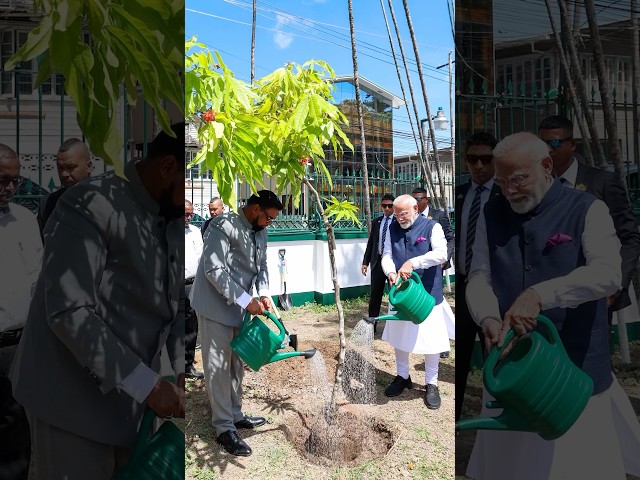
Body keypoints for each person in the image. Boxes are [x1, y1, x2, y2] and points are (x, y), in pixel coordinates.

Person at [10, 125, 186, 479]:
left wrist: (180, 368)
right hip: (69, 409)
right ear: (168, 167)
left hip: (130, 409)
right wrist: (148, 385)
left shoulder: (170, 218)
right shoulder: (90, 203)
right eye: (190, 180)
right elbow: (69, 311)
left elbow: (175, 304)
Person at [465, 132, 640, 479]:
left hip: (574, 371)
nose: (510, 190)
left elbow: (607, 274)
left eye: (518, 179)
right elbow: (479, 274)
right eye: (502, 182)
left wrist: (540, 296)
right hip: (512, 370)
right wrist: (486, 317)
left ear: (546, 166)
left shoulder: (588, 208)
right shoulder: (492, 211)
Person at [189, 190, 284, 457]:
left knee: (235, 364)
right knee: (218, 365)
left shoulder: (260, 230)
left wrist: (263, 294)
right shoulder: (224, 226)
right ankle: (223, 428)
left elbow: (262, 266)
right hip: (213, 306)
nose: (269, 224)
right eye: (268, 218)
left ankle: (234, 414)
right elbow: (214, 270)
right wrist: (246, 300)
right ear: (255, 210)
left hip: (239, 306)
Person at [538, 115, 640, 317]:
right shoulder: (538, 186)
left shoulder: (601, 182)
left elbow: (630, 237)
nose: (548, 150)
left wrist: (616, 285)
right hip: (548, 293)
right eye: (542, 144)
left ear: (572, 145)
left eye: (555, 143)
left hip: (594, 293)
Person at [380, 194, 449, 409]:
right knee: (400, 337)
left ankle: (431, 383)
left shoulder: (432, 227)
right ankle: (402, 376)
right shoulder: (392, 228)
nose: (400, 218)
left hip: (427, 294)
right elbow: (387, 255)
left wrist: (413, 262)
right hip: (401, 293)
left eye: (404, 214)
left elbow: (441, 254)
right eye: (396, 214)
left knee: (431, 341)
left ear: (416, 209)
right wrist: (390, 272)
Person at [0, 144, 43, 479]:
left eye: (14, 180)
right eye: (2, 179)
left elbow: (36, 280)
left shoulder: (25, 220)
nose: (10, 188)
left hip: (15, 347)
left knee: (16, 431)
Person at [454, 131, 500, 423]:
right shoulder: (461, 194)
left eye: (486, 159)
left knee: (494, 357)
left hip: (494, 289)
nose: (479, 165)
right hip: (462, 285)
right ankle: (456, 420)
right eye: (473, 159)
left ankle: (495, 416)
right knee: (460, 356)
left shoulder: (505, 194)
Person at [412, 187, 455, 358]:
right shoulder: (413, 217)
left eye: (420, 199)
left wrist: (445, 258)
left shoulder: (438, 215)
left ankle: (442, 342)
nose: (416, 202)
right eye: (414, 199)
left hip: (436, 266)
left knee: (438, 305)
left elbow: (450, 237)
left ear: (427, 199)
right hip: (419, 269)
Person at [37, 138, 93, 236]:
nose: (64, 174)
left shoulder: (105, 201)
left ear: (88, 166)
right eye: (60, 167)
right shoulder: (48, 203)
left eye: (71, 167)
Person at [361, 193, 395, 332]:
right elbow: (371, 243)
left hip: (393, 265)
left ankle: (394, 327)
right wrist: (365, 262)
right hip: (377, 263)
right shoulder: (377, 222)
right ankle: (372, 325)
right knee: (375, 296)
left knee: (395, 295)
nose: (387, 208)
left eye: (390, 206)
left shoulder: (398, 222)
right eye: (384, 206)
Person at [185, 200, 205, 380]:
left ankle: (187, 366)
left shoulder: (196, 232)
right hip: (171, 286)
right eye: (185, 214)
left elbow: (201, 258)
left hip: (191, 285)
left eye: (190, 214)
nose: (188, 217)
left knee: (190, 326)